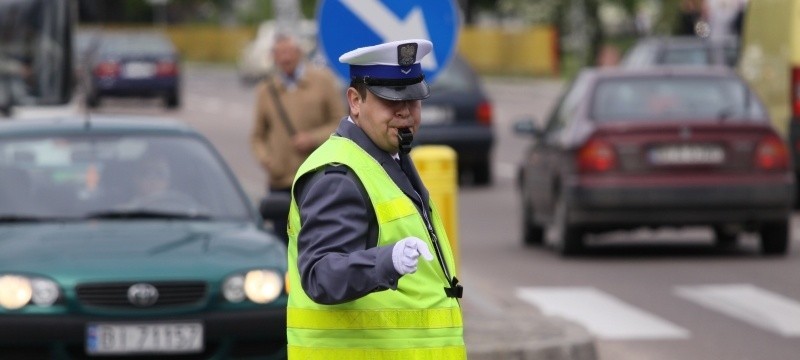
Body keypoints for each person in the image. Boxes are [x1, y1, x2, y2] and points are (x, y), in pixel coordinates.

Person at [285, 39, 466, 359]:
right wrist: (386, 262)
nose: (405, 112)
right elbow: (321, 276)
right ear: (355, 101)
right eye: (390, 101)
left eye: (413, 100)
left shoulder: (389, 158)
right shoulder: (338, 176)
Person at [250, 32, 344, 243]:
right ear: (273, 57)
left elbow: (340, 121)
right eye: (280, 53)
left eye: (289, 52)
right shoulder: (266, 91)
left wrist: (312, 138)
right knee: (284, 242)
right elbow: (257, 136)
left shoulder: (323, 81)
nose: (285, 58)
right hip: (281, 182)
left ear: (299, 53)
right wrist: (267, 160)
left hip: (318, 178)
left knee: (321, 240)